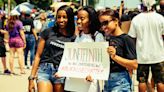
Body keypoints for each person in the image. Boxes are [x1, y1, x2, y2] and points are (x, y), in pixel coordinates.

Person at [28, 5, 75, 92]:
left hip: (61, 73)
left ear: (70, 18)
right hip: (44, 70)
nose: (61, 20)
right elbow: (38, 55)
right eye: (59, 17)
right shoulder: (48, 32)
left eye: (64, 17)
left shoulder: (74, 37)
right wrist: (31, 78)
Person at [65, 6, 105, 92]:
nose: (78, 21)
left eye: (82, 19)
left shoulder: (98, 37)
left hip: (90, 82)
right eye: (78, 18)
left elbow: (100, 60)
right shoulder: (79, 36)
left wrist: (93, 75)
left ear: (90, 21)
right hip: (75, 81)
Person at [98, 8, 138, 92]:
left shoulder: (126, 39)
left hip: (120, 82)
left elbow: (134, 65)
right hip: (107, 81)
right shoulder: (107, 38)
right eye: (101, 24)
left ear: (116, 21)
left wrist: (115, 57)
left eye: (106, 23)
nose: (103, 27)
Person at [128, 0, 164, 92]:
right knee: (160, 81)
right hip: (159, 54)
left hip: (142, 55)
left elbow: (132, 37)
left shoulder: (136, 19)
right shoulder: (160, 18)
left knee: (142, 80)